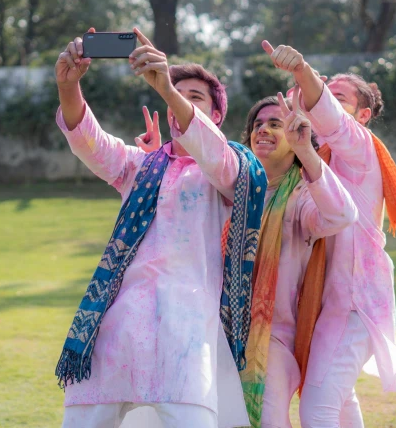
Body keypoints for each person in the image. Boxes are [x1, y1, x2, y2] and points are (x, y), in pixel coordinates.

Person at [53, 27, 266, 428]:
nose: (181, 102)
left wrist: (167, 88)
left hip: (186, 331)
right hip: (117, 326)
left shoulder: (230, 169)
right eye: (176, 95)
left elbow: (214, 154)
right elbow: (90, 143)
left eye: (194, 97)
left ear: (216, 115)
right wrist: (68, 88)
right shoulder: (139, 166)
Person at [262, 41, 396, 427]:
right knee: (338, 403)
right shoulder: (313, 158)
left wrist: (303, 71)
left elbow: (332, 120)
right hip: (326, 303)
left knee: (317, 409)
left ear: (364, 114)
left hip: (354, 301)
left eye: (338, 97)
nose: (327, 102)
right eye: (326, 92)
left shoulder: (357, 148)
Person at [239, 93, 357, 428]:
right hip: (220, 328)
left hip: (272, 336)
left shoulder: (301, 197)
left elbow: (341, 215)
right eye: (258, 124)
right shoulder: (233, 187)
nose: (264, 129)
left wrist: (307, 151)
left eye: (275, 124)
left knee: (268, 420)